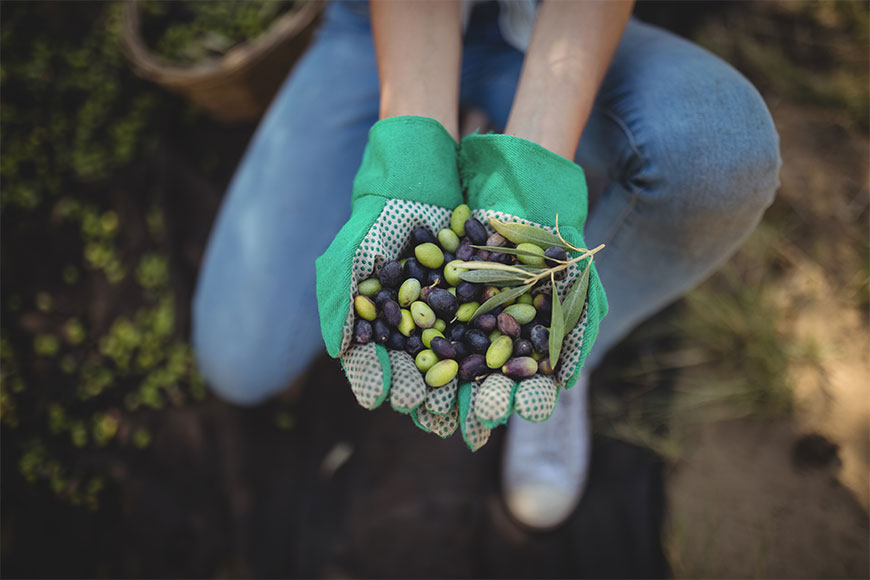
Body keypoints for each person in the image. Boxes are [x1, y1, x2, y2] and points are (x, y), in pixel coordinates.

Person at [192, 0, 780, 530]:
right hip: (382, 28)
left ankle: (564, 356)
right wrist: (409, 158)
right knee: (238, 360)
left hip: (548, 30)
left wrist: (532, 173)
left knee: (722, 152)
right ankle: (454, 150)